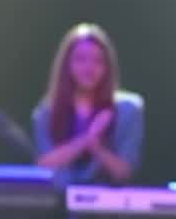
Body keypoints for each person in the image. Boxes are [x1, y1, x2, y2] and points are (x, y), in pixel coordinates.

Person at [31, 23, 143, 187]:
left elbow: (125, 173)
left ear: (108, 67)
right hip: (59, 207)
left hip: (109, 208)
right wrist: (86, 139)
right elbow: (44, 165)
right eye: (80, 59)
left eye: (98, 61)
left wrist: (97, 148)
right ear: (66, 65)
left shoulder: (128, 110)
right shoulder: (46, 113)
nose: (89, 68)